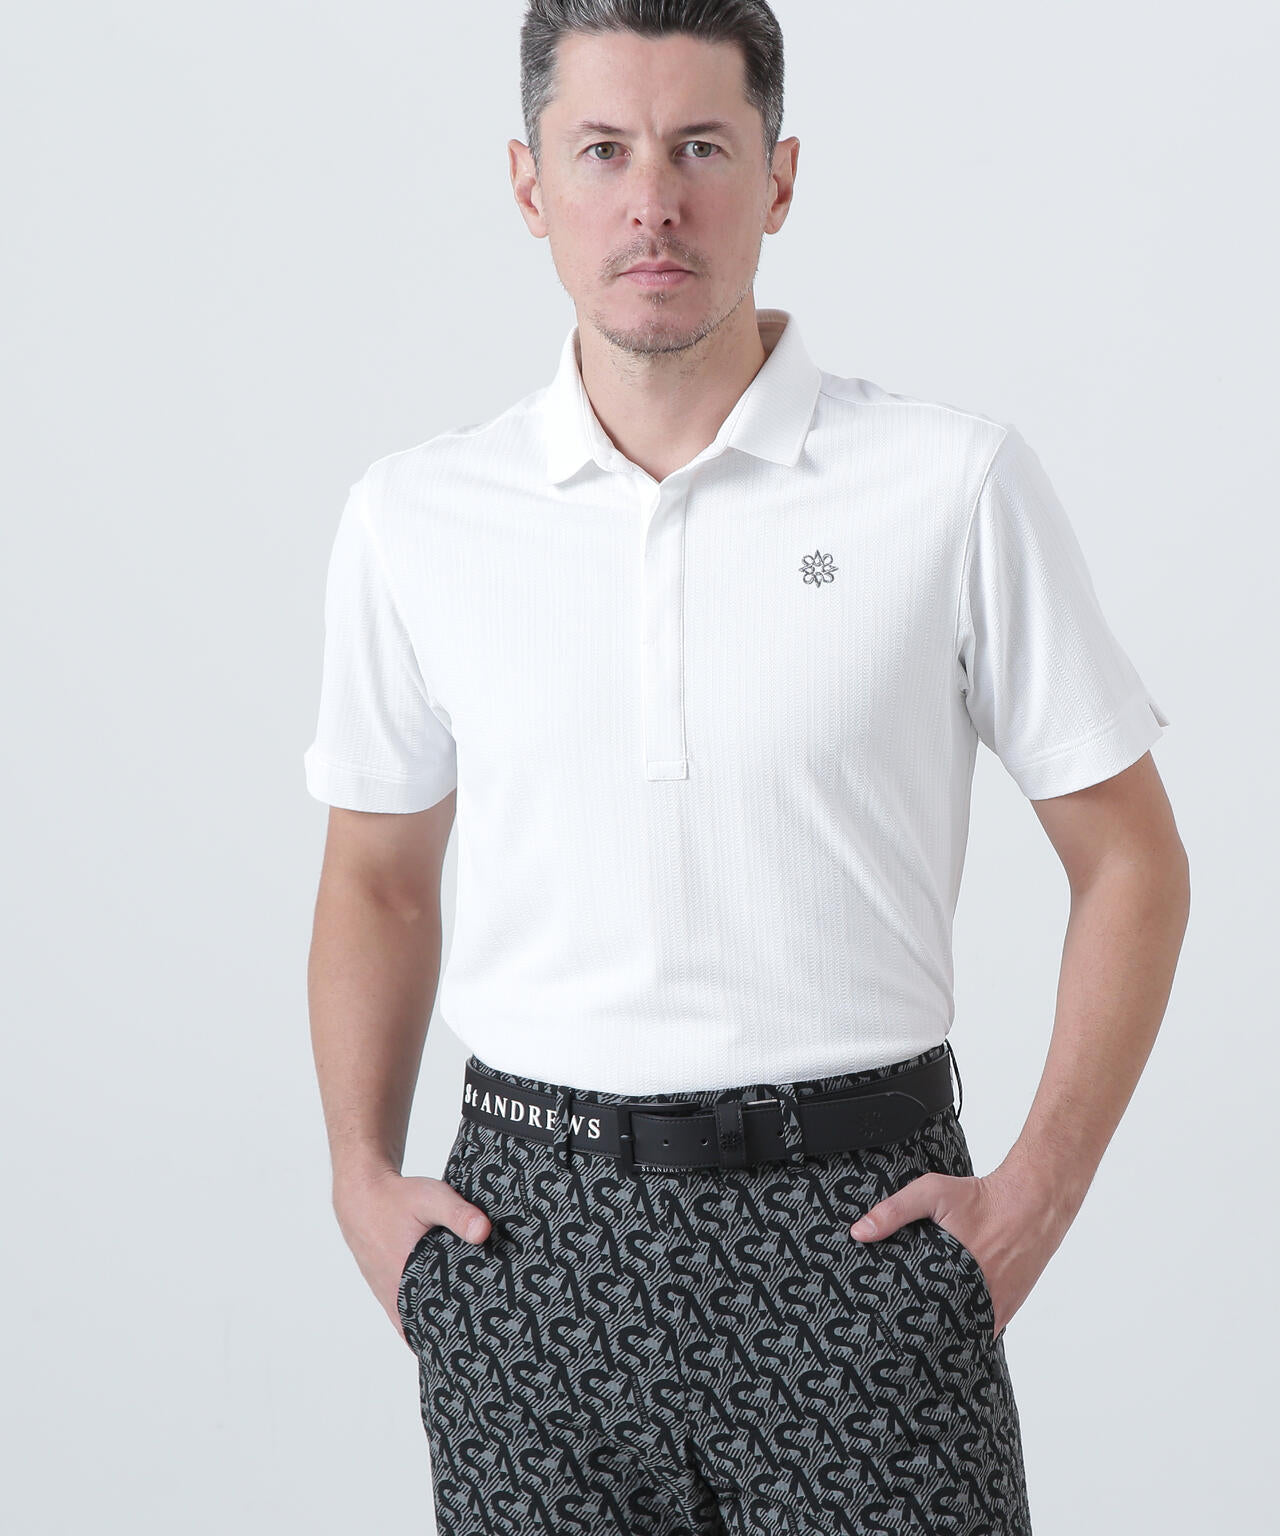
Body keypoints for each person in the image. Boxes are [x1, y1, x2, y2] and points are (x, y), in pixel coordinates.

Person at [302, 3, 1190, 1532]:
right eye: (603, 151)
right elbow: (377, 880)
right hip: (530, 1246)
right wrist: (360, 1182)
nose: (653, 202)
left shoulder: (946, 484)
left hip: (860, 1229)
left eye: (701, 148)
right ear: (529, 184)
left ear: (779, 178)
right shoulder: (418, 517)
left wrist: (1037, 1191)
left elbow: (1132, 861)